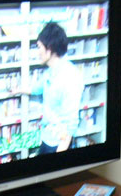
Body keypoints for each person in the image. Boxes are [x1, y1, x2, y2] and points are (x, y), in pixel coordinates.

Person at [25, 22, 84, 154]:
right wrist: (17, 90)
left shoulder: (70, 77)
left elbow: (71, 124)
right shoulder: (50, 72)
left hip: (58, 144)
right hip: (47, 138)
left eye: (39, 47)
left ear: (50, 47)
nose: (37, 52)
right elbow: (37, 88)